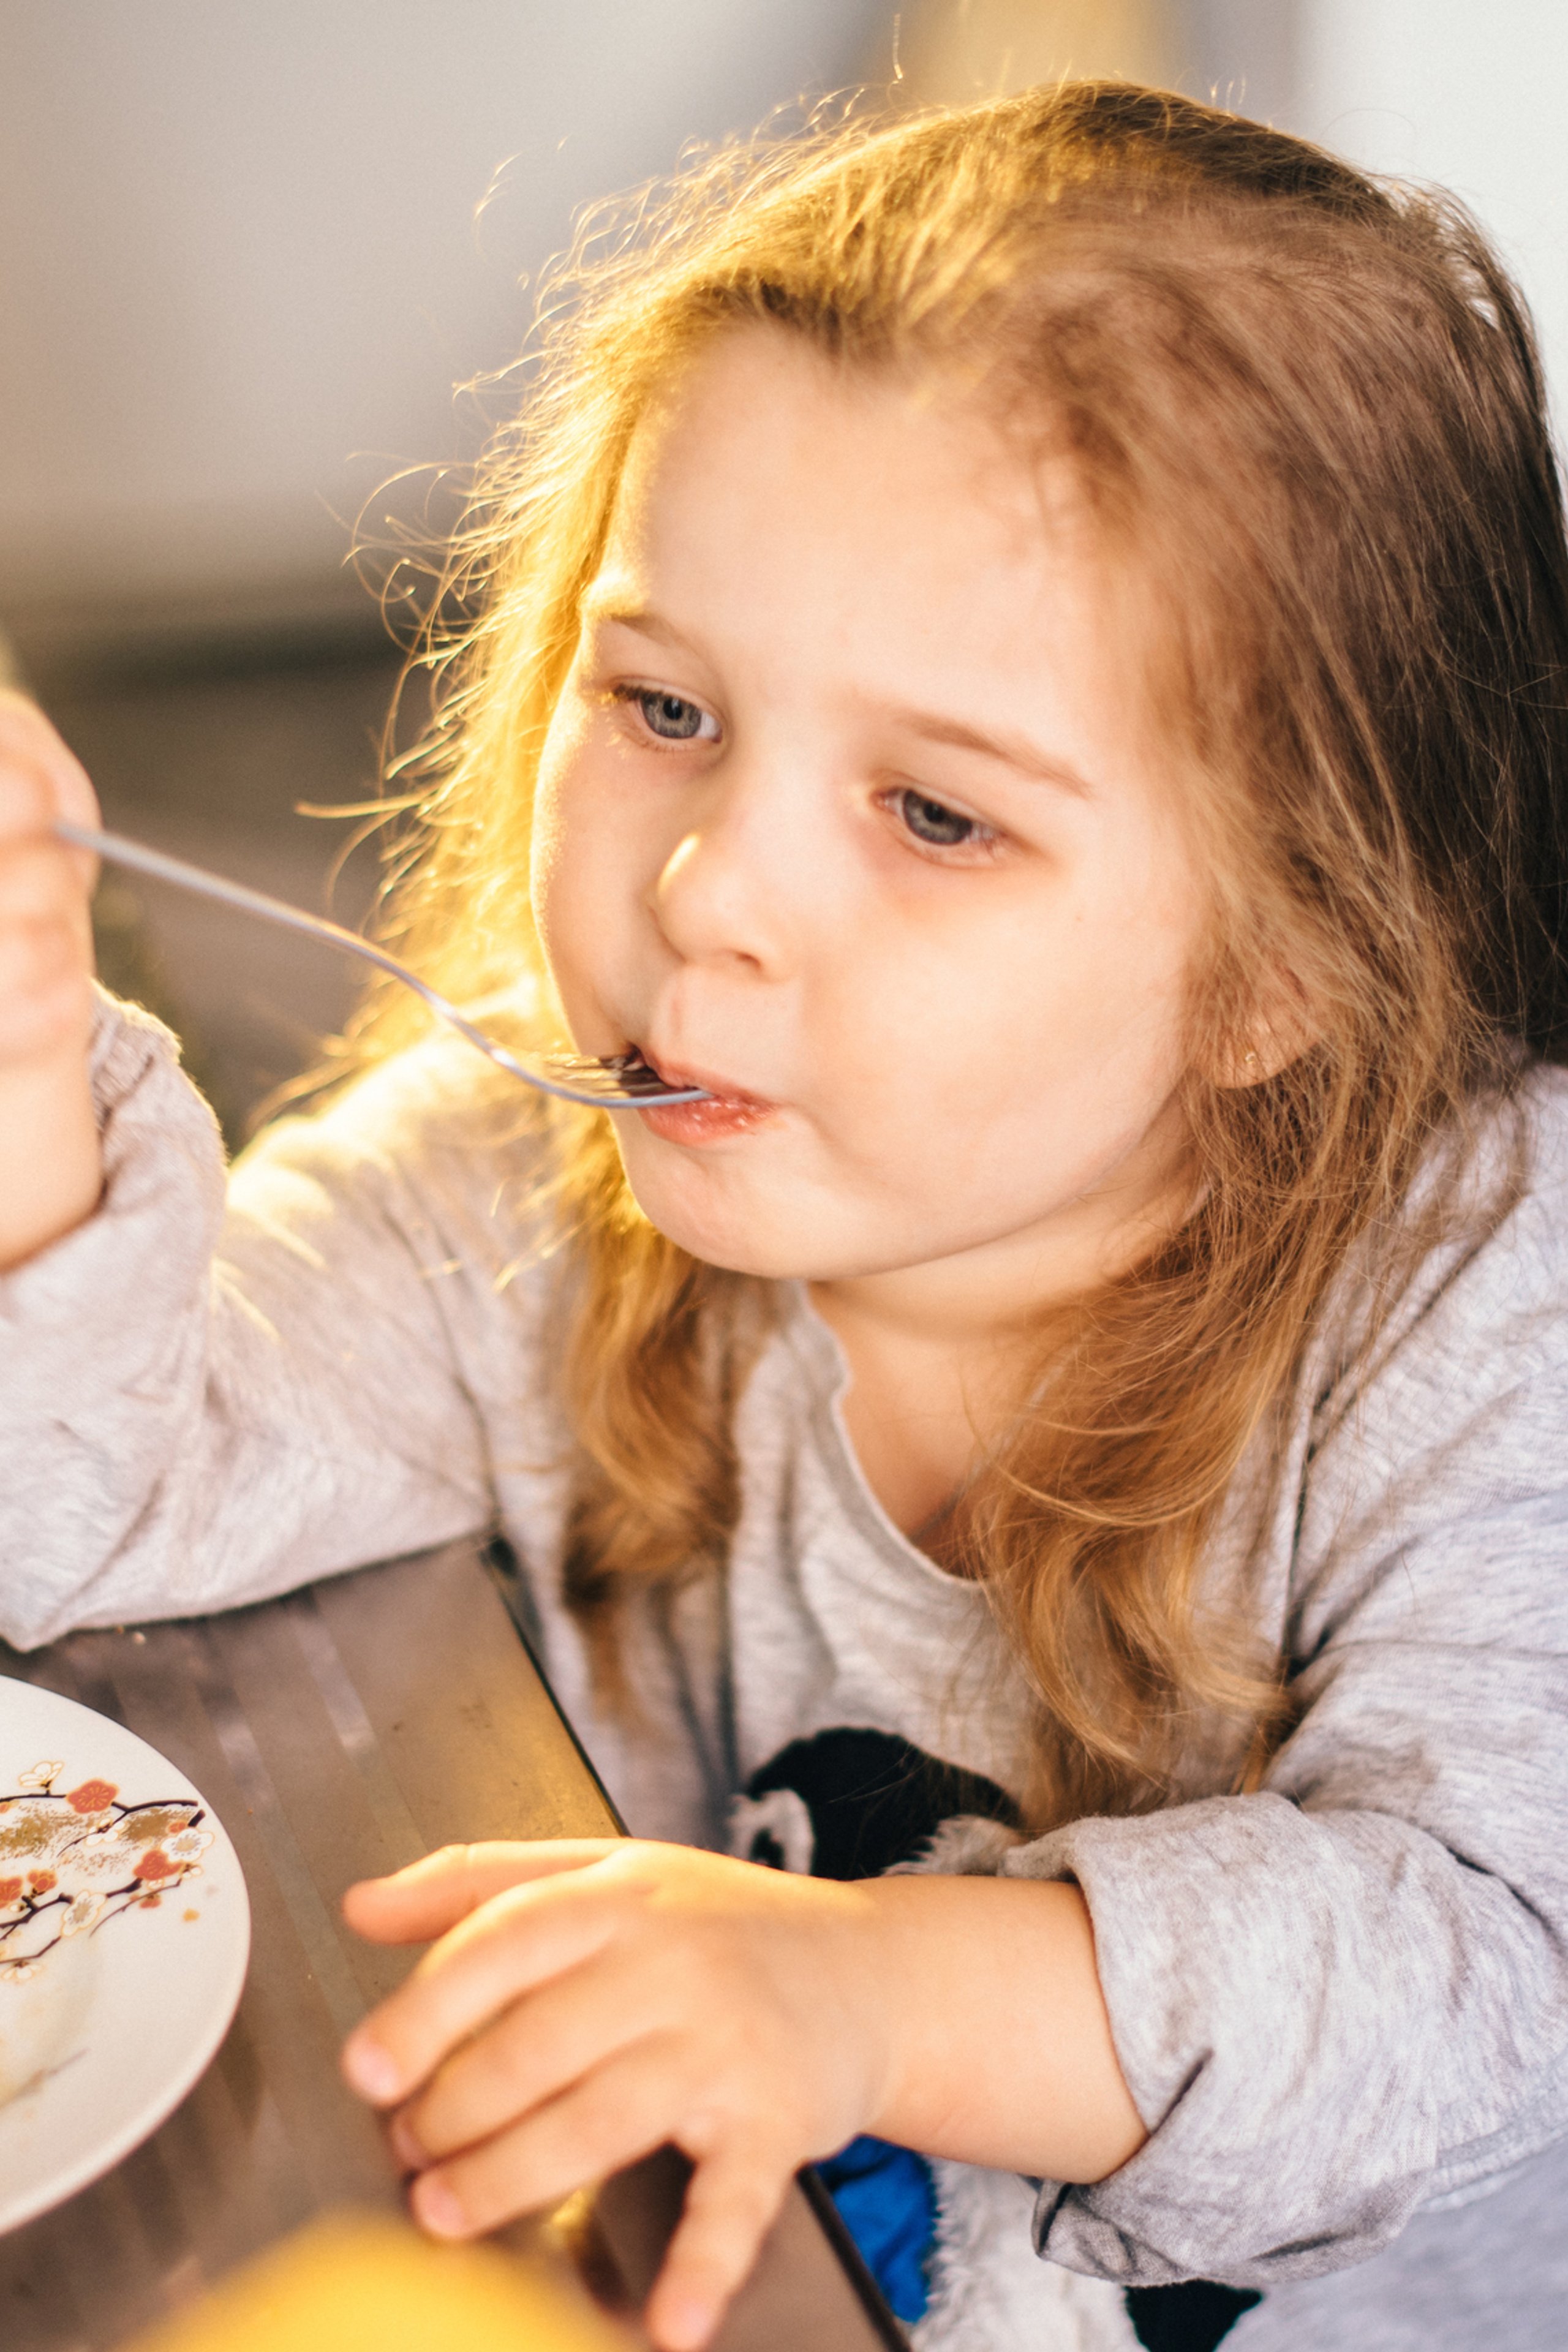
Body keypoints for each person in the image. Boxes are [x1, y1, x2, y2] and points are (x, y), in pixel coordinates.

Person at [2, 80, 1567, 2352]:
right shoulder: (522, 1184)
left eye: (933, 814)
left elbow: (1489, 1976)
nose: (704, 889)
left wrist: (860, 1998)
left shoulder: (1486, 1304)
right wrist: (24, 1057)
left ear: (1278, 970)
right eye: (662, 705)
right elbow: (92, 1500)